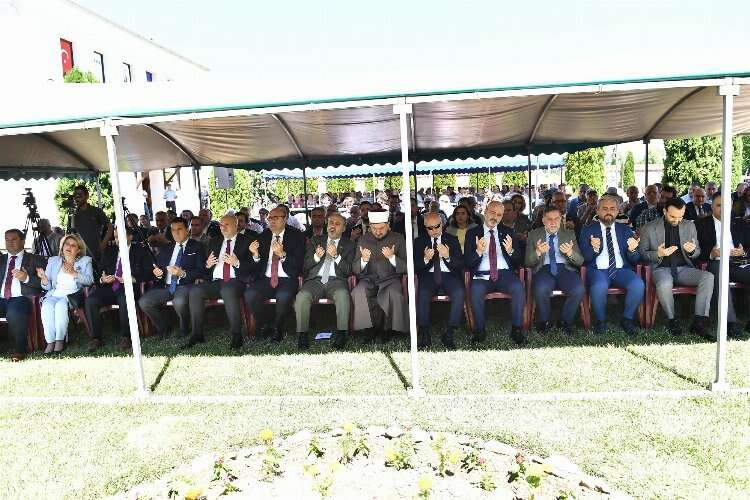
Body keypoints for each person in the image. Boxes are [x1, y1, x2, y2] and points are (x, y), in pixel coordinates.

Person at [639, 198, 713, 336]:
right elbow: (642, 254)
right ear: (664, 211)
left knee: (708, 277)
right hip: (661, 268)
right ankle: (672, 320)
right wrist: (658, 253)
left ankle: (699, 321)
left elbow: (697, 251)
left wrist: (692, 251)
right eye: (673, 216)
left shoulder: (689, 226)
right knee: (665, 282)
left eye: (680, 217)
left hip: (683, 268)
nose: (677, 220)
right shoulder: (648, 228)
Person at [579, 196, 645, 335]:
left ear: (617, 211)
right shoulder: (588, 230)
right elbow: (584, 258)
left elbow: (635, 259)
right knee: (599, 285)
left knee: (638, 284)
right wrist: (594, 249)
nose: (608, 211)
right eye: (604, 208)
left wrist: (632, 250)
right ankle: (601, 321)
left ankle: (627, 319)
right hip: (598, 270)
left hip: (621, 269)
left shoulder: (625, 230)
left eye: (612, 209)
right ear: (597, 210)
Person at [464, 201, 526, 344]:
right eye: (492, 212)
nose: (495, 217)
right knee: (475, 290)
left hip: (505, 274)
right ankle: (480, 330)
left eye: (499, 215)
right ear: (485, 211)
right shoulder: (472, 233)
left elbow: (519, 261)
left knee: (518, 287)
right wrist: (478, 252)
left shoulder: (508, 232)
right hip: (482, 274)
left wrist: (511, 250)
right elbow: (467, 262)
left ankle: (517, 329)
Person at [188, 215, 253, 349]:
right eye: (221, 225)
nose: (222, 228)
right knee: (195, 291)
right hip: (216, 281)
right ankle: (197, 334)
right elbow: (207, 268)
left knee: (228, 290)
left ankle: (236, 335)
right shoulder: (214, 241)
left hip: (236, 281)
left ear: (235, 225)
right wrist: (208, 264)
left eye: (226, 225)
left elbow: (254, 266)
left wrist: (237, 263)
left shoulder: (247, 241)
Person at [84, 227, 152, 352]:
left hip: (128, 286)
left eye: (120, 236)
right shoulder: (109, 251)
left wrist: (134, 279)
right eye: (115, 237)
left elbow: (149, 273)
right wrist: (103, 279)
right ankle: (95, 338)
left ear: (130, 236)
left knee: (124, 298)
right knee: (90, 300)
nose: (117, 240)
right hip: (110, 286)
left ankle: (126, 336)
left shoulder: (140, 251)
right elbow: (99, 273)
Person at [294, 212, 355, 350]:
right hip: (315, 281)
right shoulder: (315, 240)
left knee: (342, 295)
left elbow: (349, 270)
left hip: (336, 281)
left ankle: (341, 333)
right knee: (302, 296)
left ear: (344, 228)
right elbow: (304, 266)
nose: (333, 226)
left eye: (337, 224)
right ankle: (302, 334)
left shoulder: (350, 244)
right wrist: (316, 257)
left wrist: (337, 256)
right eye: (331, 223)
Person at [138, 217, 207, 338]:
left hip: (185, 285)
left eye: (179, 229)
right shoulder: (166, 248)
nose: (176, 233)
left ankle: (184, 328)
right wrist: (158, 273)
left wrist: (183, 273)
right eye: (173, 230)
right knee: (144, 302)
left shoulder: (197, 247)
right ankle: (164, 327)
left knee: (179, 302)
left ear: (187, 230)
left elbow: (201, 270)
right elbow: (159, 268)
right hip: (166, 286)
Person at [244, 206, 305, 342]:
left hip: (287, 277)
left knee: (283, 296)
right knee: (250, 294)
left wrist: (283, 255)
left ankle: (278, 328)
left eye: (275, 218)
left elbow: (300, 264)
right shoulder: (263, 236)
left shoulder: (297, 236)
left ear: (285, 219)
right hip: (266, 278)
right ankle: (264, 325)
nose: (271, 221)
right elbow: (254, 266)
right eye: (269, 218)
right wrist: (255, 255)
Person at [696, 192, 750, 338]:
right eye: (719, 205)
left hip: (738, 262)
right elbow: (695, 250)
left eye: (727, 205)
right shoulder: (701, 224)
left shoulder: (739, 223)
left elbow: (748, 246)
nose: (724, 209)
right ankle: (730, 323)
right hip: (716, 262)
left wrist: (743, 252)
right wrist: (711, 253)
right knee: (721, 273)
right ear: (711, 206)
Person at [525, 205, 585, 334]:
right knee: (540, 288)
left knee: (578, 289)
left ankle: (565, 321)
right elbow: (527, 262)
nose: (553, 222)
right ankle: (545, 321)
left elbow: (580, 261)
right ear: (543, 220)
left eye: (556, 219)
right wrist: (538, 252)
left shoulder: (569, 234)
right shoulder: (534, 235)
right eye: (549, 219)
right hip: (544, 268)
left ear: (561, 219)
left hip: (565, 268)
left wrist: (570, 253)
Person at [351, 209, 409, 343]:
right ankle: (368, 330)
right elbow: (355, 268)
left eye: (381, 228)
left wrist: (392, 257)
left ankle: (388, 330)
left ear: (388, 225)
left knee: (393, 293)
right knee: (358, 292)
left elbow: (407, 266)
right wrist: (363, 260)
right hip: (368, 279)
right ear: (369, 226)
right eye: (374, 228)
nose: (377, 232)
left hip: (391, 279)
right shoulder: (363, 239)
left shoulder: (398, 238)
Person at [414, 212, 464, 349]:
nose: (434, 230)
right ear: (425, 228)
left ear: (442, 224)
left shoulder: (452, 239)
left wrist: (448, 256)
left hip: (449, 275)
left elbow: (461, 264)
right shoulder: (419, 241)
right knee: (423, 293)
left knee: (459, 292)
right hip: (429, 275)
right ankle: (425, 333)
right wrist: (425, 259)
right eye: (430, 228)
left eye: (437, 226)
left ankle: (449, 333)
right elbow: (414, 267)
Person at [37, 234, 94, 353]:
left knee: (60, 306)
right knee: (46, 306)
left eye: (73, 245)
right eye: (67, 244)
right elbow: (47, 286)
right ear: (62, 247)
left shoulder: (85, 261)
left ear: (78, 250)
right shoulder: (53, 261)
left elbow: (90, 281)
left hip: (72, 295)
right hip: (55, 294)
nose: (69, 247)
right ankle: (50, 341)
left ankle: (60, 340)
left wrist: (74, 273)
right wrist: (44, 279)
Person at [0, 229, 45, 361]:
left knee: (14, 312)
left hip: (21, 298)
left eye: (14, 239)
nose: (10, 242)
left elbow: (45, 283)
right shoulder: (1, 260)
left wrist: (26, 278)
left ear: (23, 241)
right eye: (7, 239)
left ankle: (20, 349)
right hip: (1, 298)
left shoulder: (35, 259)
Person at [71, 185, 111, 263]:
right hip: (80, 256)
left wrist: (103, 243)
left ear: (87, 196)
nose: (77, 197)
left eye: (80, 195)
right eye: (75, 195)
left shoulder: (96, 211)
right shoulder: (73, 215)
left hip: (96, 253)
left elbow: (110, 227)